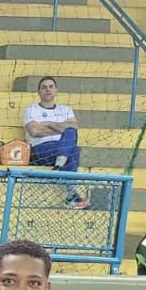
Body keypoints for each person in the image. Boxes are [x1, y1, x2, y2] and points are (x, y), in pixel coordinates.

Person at [23, 76, 88, 207]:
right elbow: (35, 132)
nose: (48, 89)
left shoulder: (66, 109)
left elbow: (74, 128)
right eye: (44, 87)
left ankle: (59, 168)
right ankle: (71, 194)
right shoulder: (31, 109)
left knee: (72, 140)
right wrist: (60, 128)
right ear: (39, 92)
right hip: (41, 149)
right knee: (72, 145)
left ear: (56, 90)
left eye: (51, 86)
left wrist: (48, 124)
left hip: (61, 149)